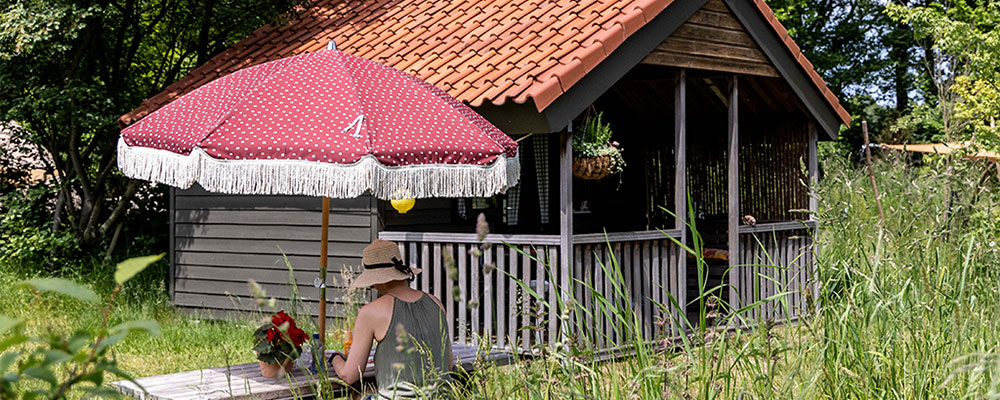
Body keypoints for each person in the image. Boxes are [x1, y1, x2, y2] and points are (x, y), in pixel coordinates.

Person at [330, 239, 454, 399]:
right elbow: (449, 365)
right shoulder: (435, 302)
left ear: (375, 280)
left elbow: (350, 376)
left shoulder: (371, 312)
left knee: (358, 395)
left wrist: (335, 358)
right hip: (444, 396)